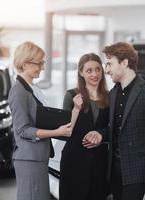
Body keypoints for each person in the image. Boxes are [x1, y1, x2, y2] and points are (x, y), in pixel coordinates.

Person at [83, 42, 145, 200]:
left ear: (125, 62)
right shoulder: (114, 93)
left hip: (137, 172)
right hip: (114, 170)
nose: (106, 70)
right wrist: (101, 134)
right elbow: (117, 130)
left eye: (110, 64)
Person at [8, 41, 71, 200]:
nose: (42, 67)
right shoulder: (18, 92)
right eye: (39, 63)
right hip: (29, 158)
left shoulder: (31, 88)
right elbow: (22, 130)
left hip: (38, 157)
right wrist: (57, 132)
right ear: (26, 63)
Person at [59, 53, 109, 200]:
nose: (95, 74)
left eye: (97, 69)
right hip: (74, 160)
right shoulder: (71, 95)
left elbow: (114, 128)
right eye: (89, 71)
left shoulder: (109, 97)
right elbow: (64, 132)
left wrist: (101, 135)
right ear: (81, 72)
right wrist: (75, 109)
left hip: (100, 162)